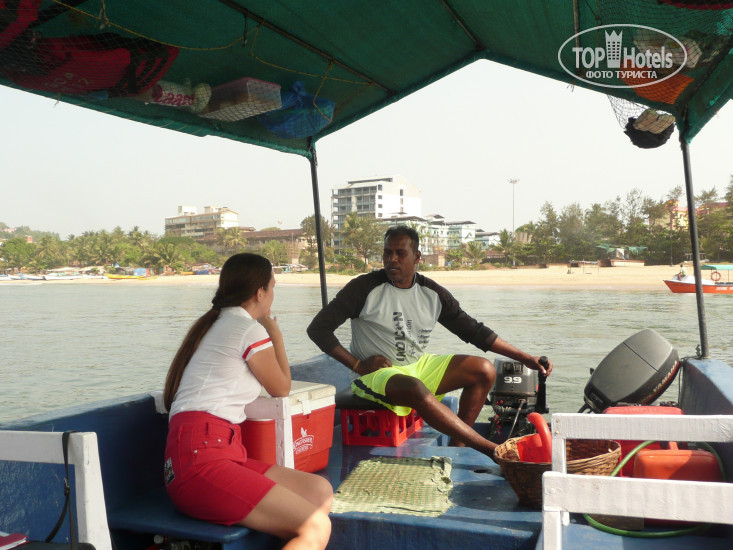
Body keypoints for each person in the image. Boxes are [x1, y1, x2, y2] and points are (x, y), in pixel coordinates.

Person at [307, 226, 552, 458]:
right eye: (387, 253)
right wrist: (358, 365)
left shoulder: (431, 293)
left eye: (400, 253)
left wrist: (525, 358)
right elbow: (318, 329)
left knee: (484, 370)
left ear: (417, 257)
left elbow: (475, 332)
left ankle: (458, 447)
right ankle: (492, 450)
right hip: (375, 375)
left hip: (418, 365)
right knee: (415, 387)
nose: (392, 259)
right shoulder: (364, 287)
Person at [163, 253, 332, 549]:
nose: (273, 294)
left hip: (214, 453)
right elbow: (281, 388)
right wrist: (276, 335)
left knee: (318, 491)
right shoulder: (247, 329)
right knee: (316, 526)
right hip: (201, 463)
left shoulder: (216, 324)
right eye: (273, 287)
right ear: (260, 292)